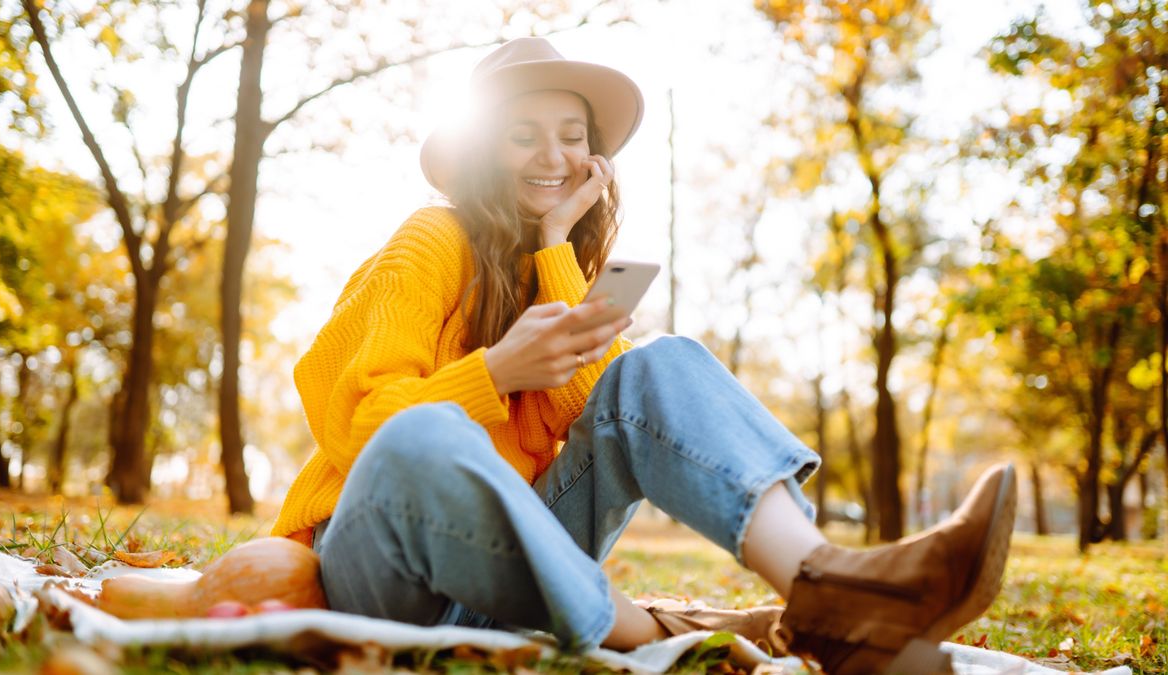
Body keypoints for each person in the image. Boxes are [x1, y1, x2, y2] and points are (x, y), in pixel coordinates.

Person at [268, 37, 1017, 675]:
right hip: (379, 577)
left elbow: (604, 408)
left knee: (658, 361)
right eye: (523, 134)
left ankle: (832, 592)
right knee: (426, 435)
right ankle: (645, 628)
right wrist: (495, 374)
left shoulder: (549, 264)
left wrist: (555, 246)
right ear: (484, 149)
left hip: (492, 591)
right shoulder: (428, 242)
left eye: (571, 133)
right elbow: (363, 427)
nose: (553, 154)